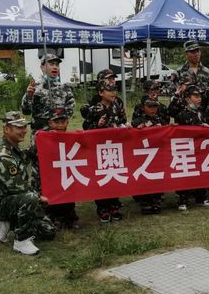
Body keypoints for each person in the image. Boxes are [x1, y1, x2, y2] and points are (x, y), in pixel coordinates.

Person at [0, 111, 55, 255]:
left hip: (16, 199)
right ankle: (21, 240)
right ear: (7, 129)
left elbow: (25, 157)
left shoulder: (13, 148)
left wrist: (39, 140)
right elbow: (18, 187)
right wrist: (39, 197)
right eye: (19, 127)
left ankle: (10, 223)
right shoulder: (3, 155)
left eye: (25, 127)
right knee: (31, 198)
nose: (24, 130)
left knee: (48, 231)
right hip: (2, 203)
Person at [83, 84, 131, 222]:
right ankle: (102, 208)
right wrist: (97, 125)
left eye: (114, 90)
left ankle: (114, 206)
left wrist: (126, 126)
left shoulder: (117, 106)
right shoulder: (94, 109)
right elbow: (86, 127)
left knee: (114, 175)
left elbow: (122, 121)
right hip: (99, 149)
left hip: (115, 148)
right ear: (101, 92)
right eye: (109, 90)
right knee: (102, 177)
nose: (113, 93)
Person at [27, 108, 79, 229]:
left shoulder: (69, 137)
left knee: (67, 188)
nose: (60, 125)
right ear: (50, 122)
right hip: (43, 178)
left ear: (67, 122)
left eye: (63, 122)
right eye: (56, 122)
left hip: (62, 175)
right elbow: (30, 155)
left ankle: (68, 216)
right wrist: (38, 142)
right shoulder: (40, 136)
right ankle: (51, 217)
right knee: (46, 204)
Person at [175, 85, 209, 211]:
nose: (199, 99)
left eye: (199, 96)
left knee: (200, 173)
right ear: (188, 99)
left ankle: (201, 197)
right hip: (186, 149)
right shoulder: (182, 114)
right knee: (185, 174)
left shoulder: (201, 112)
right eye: (196, 96)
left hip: (200, 148)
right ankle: (183, 199)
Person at [21, 53, 75, 134]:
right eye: (51, 64)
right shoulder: (35, 88)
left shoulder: (65, 88)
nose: (55, 67)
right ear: (42, 67)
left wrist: (57, 119)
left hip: (59, 133)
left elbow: (70, 109)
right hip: (40, 135)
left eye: (57, 65)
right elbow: (26, 111)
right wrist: (28, 96)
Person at [132, 98, 165, 214]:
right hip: (143, 156)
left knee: (157, 178)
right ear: (143, 107)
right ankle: (145, 202)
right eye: (149, 107)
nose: (152, 109)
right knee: (144, 179)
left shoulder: (160, 120)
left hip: (157, 154)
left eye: (155, 107)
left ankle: (156, 201)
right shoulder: (137, 121)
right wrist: (138, 130)